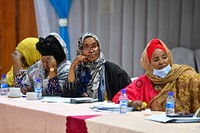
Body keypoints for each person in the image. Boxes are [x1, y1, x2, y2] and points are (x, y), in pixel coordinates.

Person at [112, 38, 200, 114]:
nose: (162, 62)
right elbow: (119, 98)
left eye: (164, 57)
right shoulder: (143, 81)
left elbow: (196, 82)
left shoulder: (182, 74)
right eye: (156, 59)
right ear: (148, 63)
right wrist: (131, 104)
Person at [62, 32, 131, 101]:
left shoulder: (112, 69)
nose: (91, 50)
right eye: (86, 47)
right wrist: (73, 65)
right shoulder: (79, 71)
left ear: (99, 47)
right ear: (80, 50)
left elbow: (128, 94)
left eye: (94, 46)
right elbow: (68, 93)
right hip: (82, 109)